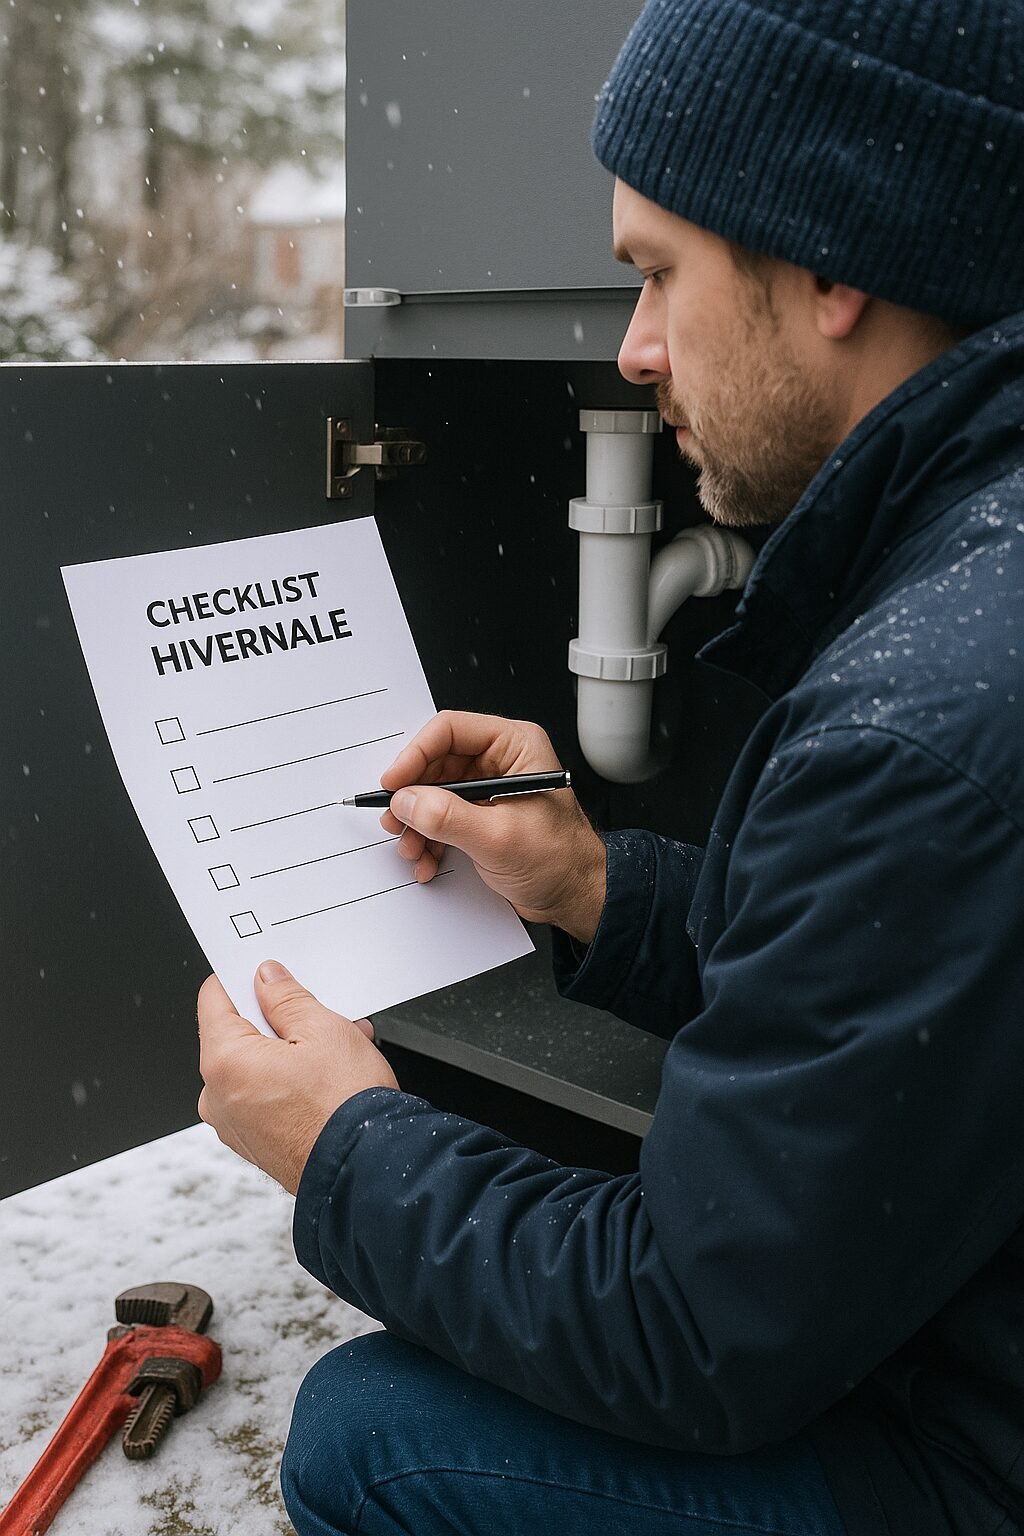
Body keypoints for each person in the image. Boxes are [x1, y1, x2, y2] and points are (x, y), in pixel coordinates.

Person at [197, 0, 1024, 1531]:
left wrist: (343, 1151)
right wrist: (594, 887)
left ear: (832, 261)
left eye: (656, 272)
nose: (635, 351)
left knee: (369, 1433)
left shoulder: (928, 711)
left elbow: (695, 1333)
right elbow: (902, 1005)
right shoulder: (975, 580)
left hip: (978, 1454)